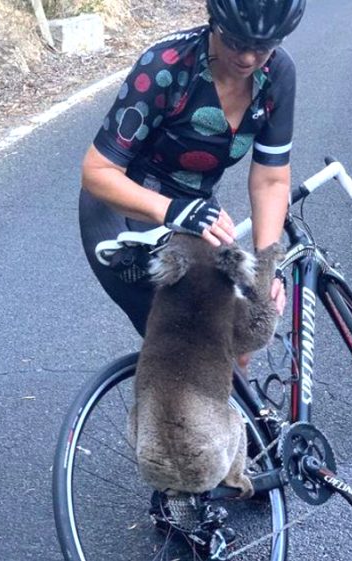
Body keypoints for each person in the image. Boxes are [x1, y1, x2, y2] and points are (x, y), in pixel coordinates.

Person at [80, 0, 306, 352]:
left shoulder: (277, 74)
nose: (248, 58)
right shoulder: (165, 67)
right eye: (235, 41)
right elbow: (97, 172)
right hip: (123, 206)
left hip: (194, 211)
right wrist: (172, 211)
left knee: (241, 333)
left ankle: (233, 407)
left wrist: (266, 266)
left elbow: (271, 180)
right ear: (213, 21)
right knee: (192, 343)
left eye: (263, 46)